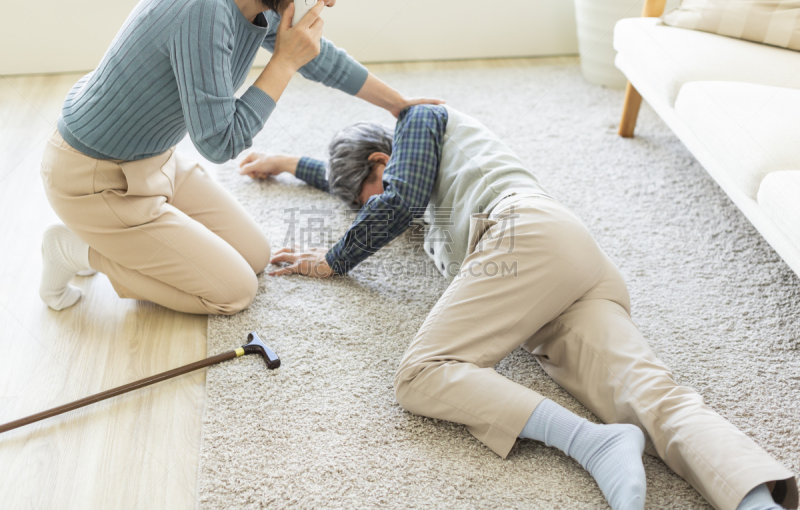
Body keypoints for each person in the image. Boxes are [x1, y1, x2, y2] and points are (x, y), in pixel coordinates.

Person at [239, 104, 798, 510]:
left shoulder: (421, 120)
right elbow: (381, 192)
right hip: (565, 275)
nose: (381, 219)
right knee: (651, 394)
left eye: (371, 199)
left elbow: (395, 197)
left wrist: (333, 260)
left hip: (524, 233)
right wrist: (291, 162)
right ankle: (756, 502)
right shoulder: (409, 180)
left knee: (420, 375)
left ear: (385, 158)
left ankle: (595, 442)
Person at [38, 0, 442, 314]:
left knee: (255, 257)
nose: (331, 0)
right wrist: (283, 62)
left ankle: (134, 233)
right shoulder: (204, 7)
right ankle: (75, 250)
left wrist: (398, 104)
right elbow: (219, 142)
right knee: (233, 293)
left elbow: (322, 58)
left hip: (154, 159)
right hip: (93, 178)